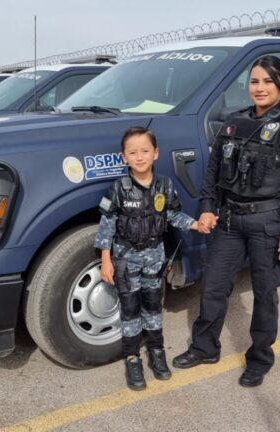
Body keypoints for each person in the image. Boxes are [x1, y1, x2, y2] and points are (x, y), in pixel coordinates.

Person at [172, 55, 280, 387]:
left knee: (265, 293)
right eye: (254, 81)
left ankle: (260, 359)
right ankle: (205, 347)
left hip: (268, 222)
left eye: (267, 81)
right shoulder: (233, 124)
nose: (259, 88)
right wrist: (207, 207)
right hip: (230, 220)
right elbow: (212, 174)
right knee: (213, 287)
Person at [95, 126, 203, 391]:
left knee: (153, 309)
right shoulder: (118, 188)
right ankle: (132, 359)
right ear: (124, 157)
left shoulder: (165, 185)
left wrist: (195, 225)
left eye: (145, 151)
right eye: (133, 152)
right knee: (130, 311)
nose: (139, 156)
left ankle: (157, 353)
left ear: (156, 153)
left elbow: (173, 216)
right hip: (125, 259)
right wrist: (106, 260)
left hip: (155, 258)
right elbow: (106, 226)